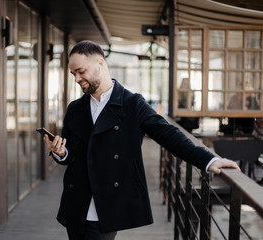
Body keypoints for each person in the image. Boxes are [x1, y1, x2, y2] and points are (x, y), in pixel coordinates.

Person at [43, 40, 240, 240]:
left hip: (106, 203)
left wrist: (209, 160)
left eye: (81, 71)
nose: (77, 78)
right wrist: (61, 152)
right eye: (73, 74)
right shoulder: (75, 108)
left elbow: (169, 134)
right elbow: (70, 155)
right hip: (76, 202)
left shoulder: (132, 104)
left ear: (100, 64)